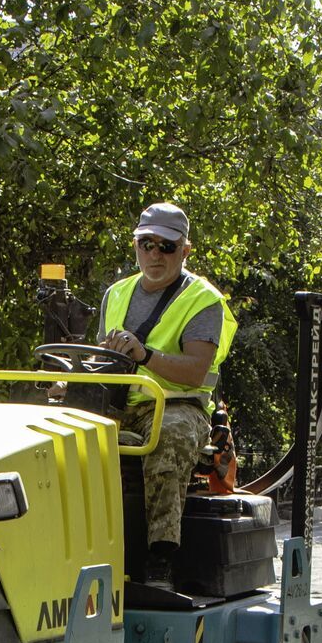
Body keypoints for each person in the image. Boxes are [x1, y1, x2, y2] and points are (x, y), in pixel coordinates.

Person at [97, 202, 236, 590]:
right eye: (147, 244)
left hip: (178, 405)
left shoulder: (202, 300)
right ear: (136, 245)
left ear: (185, 251)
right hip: (120, 403)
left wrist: (144, 354)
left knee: (166, 436)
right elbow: (102, 358)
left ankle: (160, 558)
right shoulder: (116, 294)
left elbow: (195, 370)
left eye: (167, 247)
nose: (155, 255)